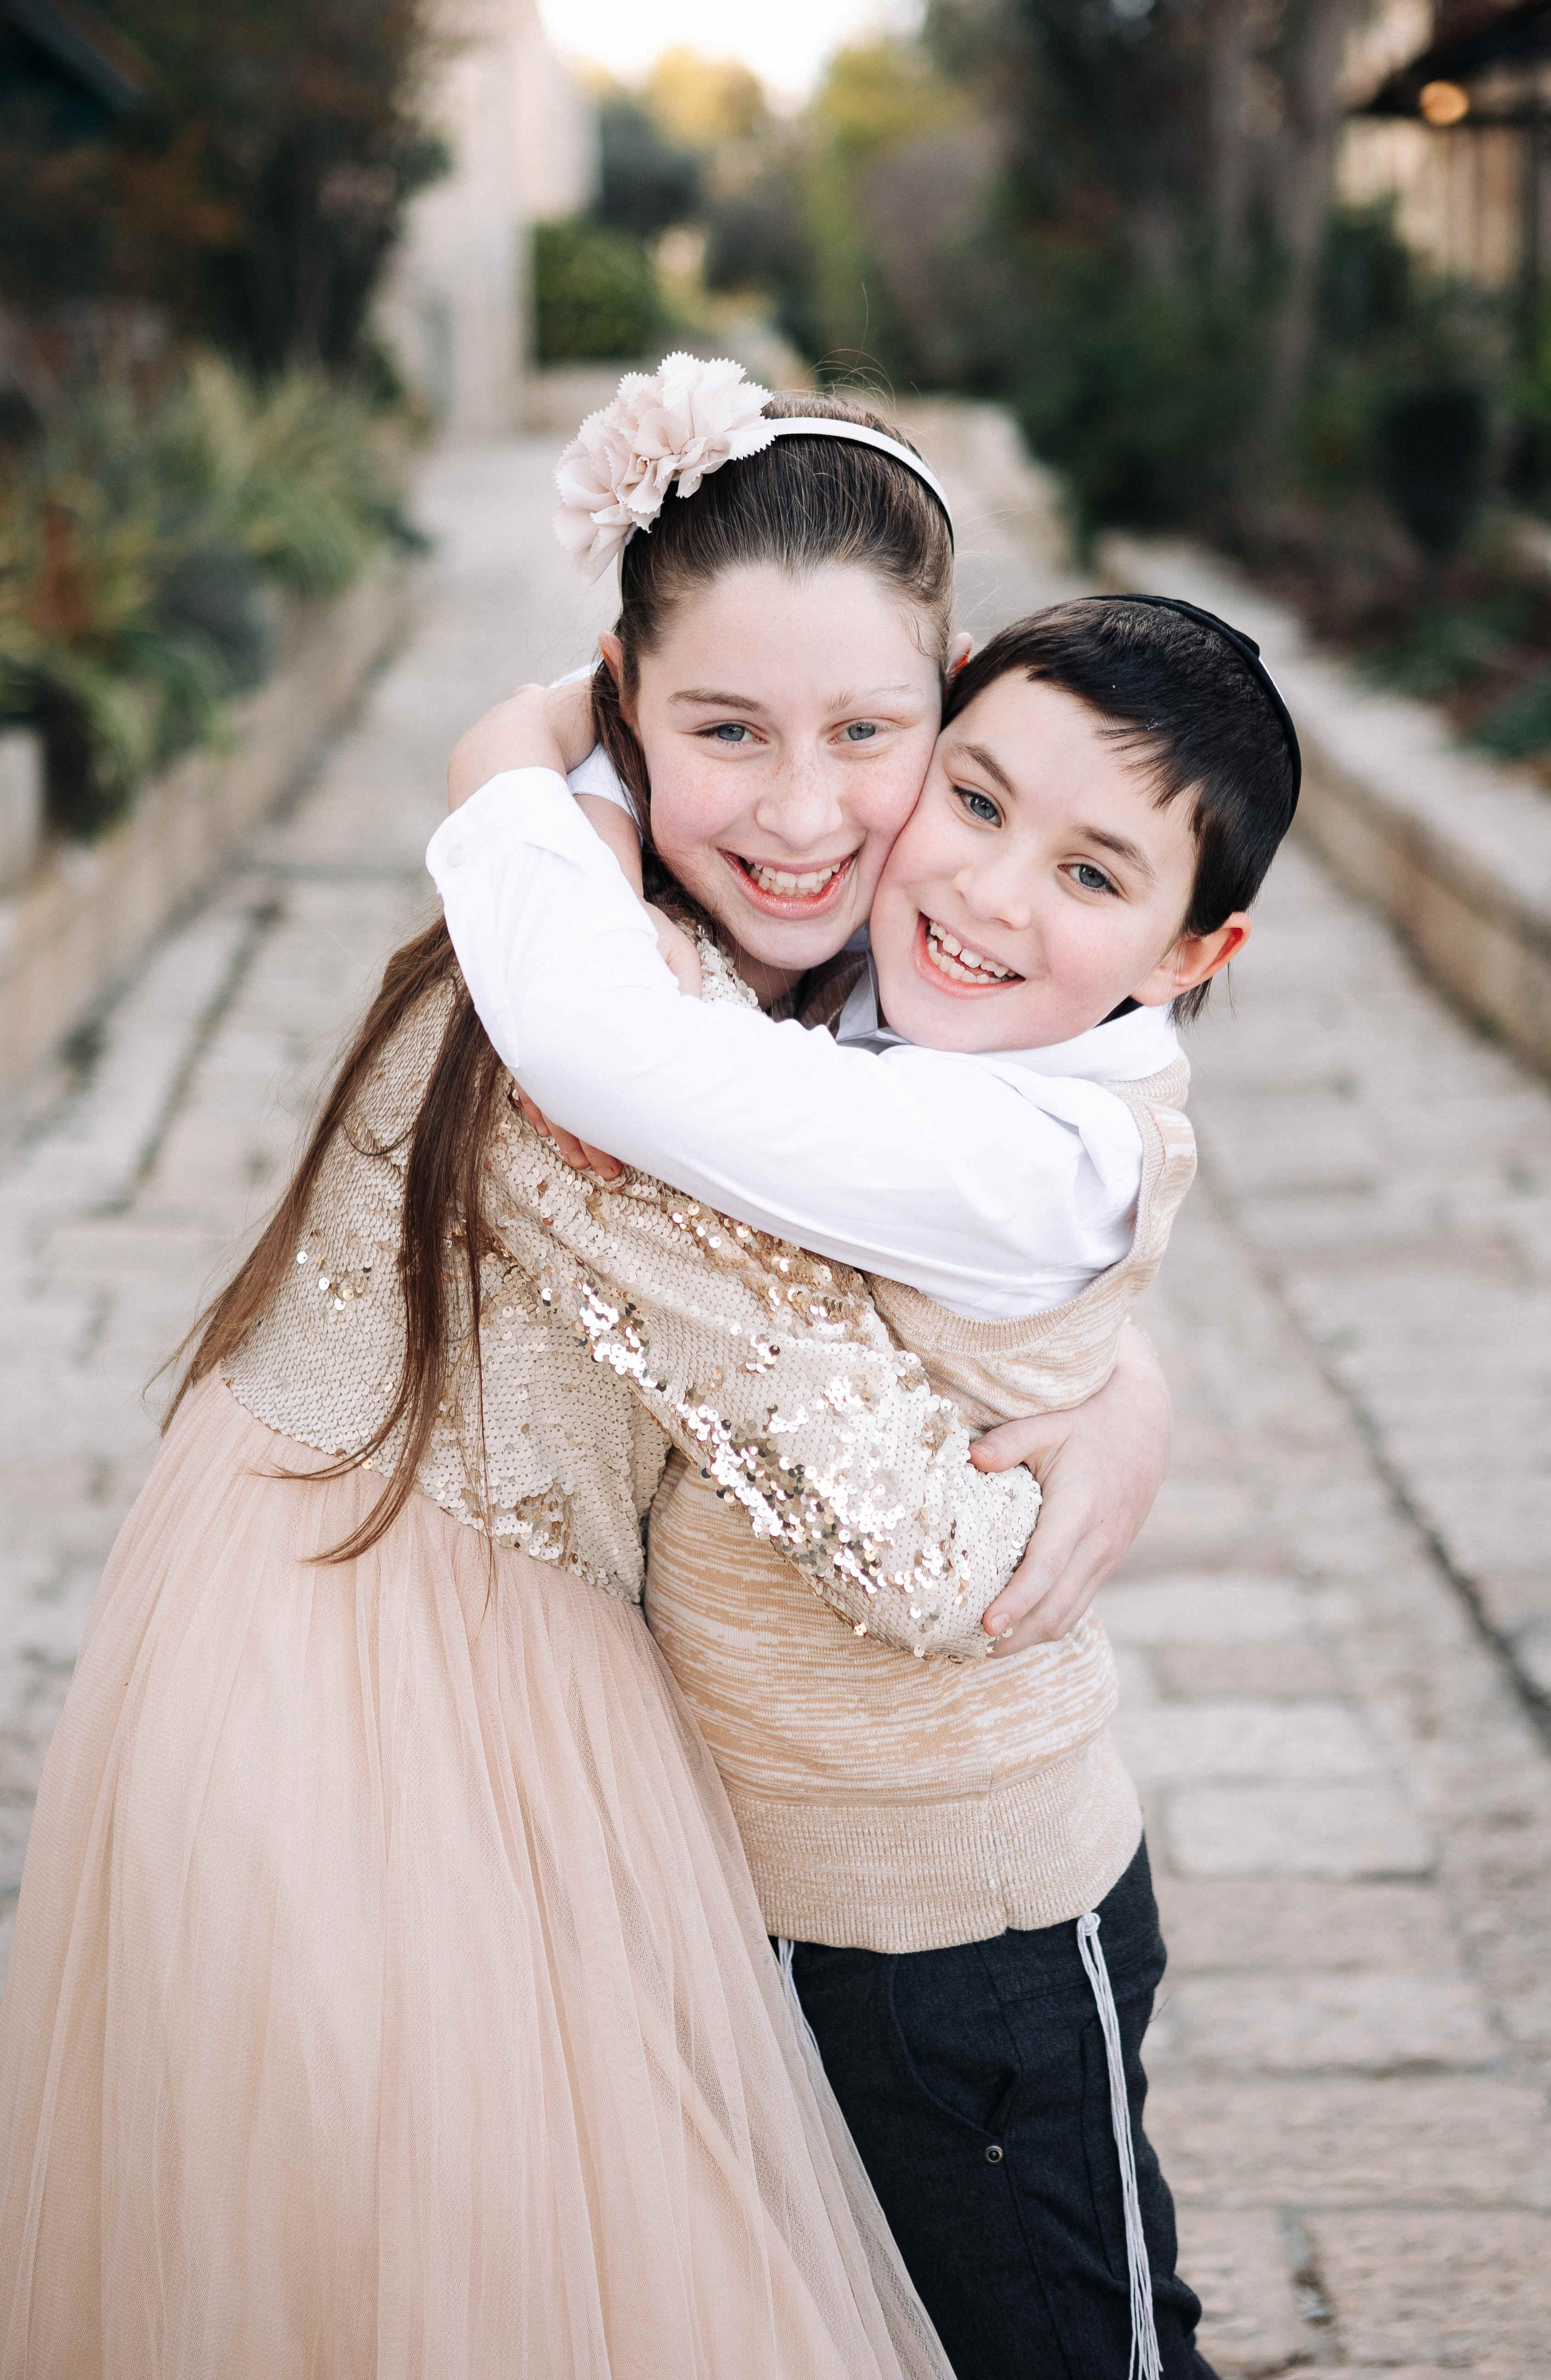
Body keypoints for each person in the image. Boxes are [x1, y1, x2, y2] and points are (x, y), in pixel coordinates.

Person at [0, 367, 1169, 2377]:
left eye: (870, 738)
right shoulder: (586, 1040)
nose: (804, 818)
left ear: (953, 708)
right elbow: (910, 1530)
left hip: (529, 1656)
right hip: (383, 1717)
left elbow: (945, 1205)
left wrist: (1133, 1374)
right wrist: (1079, 1457)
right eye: (725, 731)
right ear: (626, 696)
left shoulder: (732, 954)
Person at [429, 361, 1299, 2380]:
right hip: (779, 1877)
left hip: (968, 1918)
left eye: (1093, 875)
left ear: (1194, 958)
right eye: (977, 800)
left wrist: (515, 760)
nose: (985, 891)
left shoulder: (1037, 1141)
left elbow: (625, 1070)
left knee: (1073, 2340)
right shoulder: (899, 1019)